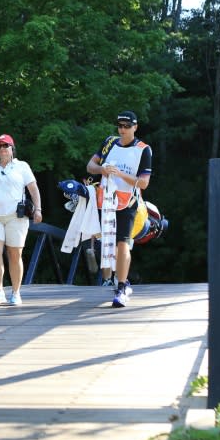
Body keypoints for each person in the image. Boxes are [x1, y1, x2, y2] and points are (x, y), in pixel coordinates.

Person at [86, 110, 152, 308]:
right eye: (120, 126)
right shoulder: (109, 142)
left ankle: (121, 287)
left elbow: (143, 183)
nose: (122, 130)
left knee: (123, 243)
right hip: (105, 201)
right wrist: (102, 170)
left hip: (128, 202)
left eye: (126, 126)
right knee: (109, 244)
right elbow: (90, 166)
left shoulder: (143, 149)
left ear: (135, 127)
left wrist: (121, 174)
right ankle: (119, 279)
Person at [0, 134, 42, 307]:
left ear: (12, 149)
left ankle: (16, 292)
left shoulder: (22, 166)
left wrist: (38, 209)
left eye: (6, 146)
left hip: (16, 217)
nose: (2, 149)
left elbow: (33, 188)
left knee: (14, 254)